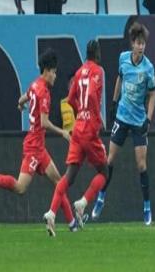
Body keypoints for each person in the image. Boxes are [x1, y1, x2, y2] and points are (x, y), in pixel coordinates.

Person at [0, 49, 78, 232]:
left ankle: (72, 223)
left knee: (58, 181)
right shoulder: (44, 93)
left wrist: (21, 104)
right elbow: (44, 122)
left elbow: (23, 98)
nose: (55, 76)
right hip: (34, 148)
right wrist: (62, 132)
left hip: (38, 147)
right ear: (46, 70)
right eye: (54, 72)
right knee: (20, 187)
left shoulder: (34, 84)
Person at [91, 22, 155, 225]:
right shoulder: (123, 59)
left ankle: (147, 207)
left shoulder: (148, 68)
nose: (141, 47)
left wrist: (148, 120)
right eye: (138, 43)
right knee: (109, 160)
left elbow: (153, 95)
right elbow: (119, 79)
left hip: (138, 120)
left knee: (141, 164)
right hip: (122, 116)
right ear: (132, 44)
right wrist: (113, 102)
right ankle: (101, 197)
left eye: (143, 43)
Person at [43, 40, 108, 236]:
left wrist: (81, 112)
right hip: (90, 129)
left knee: (68, 176)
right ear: (97, 54)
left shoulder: (79, 73)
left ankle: (51, 213)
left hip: (77, 129)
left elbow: (70, 99)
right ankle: (83, 203)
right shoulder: (98, 71)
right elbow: (94, 96)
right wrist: (95, 118)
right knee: (104, 172)